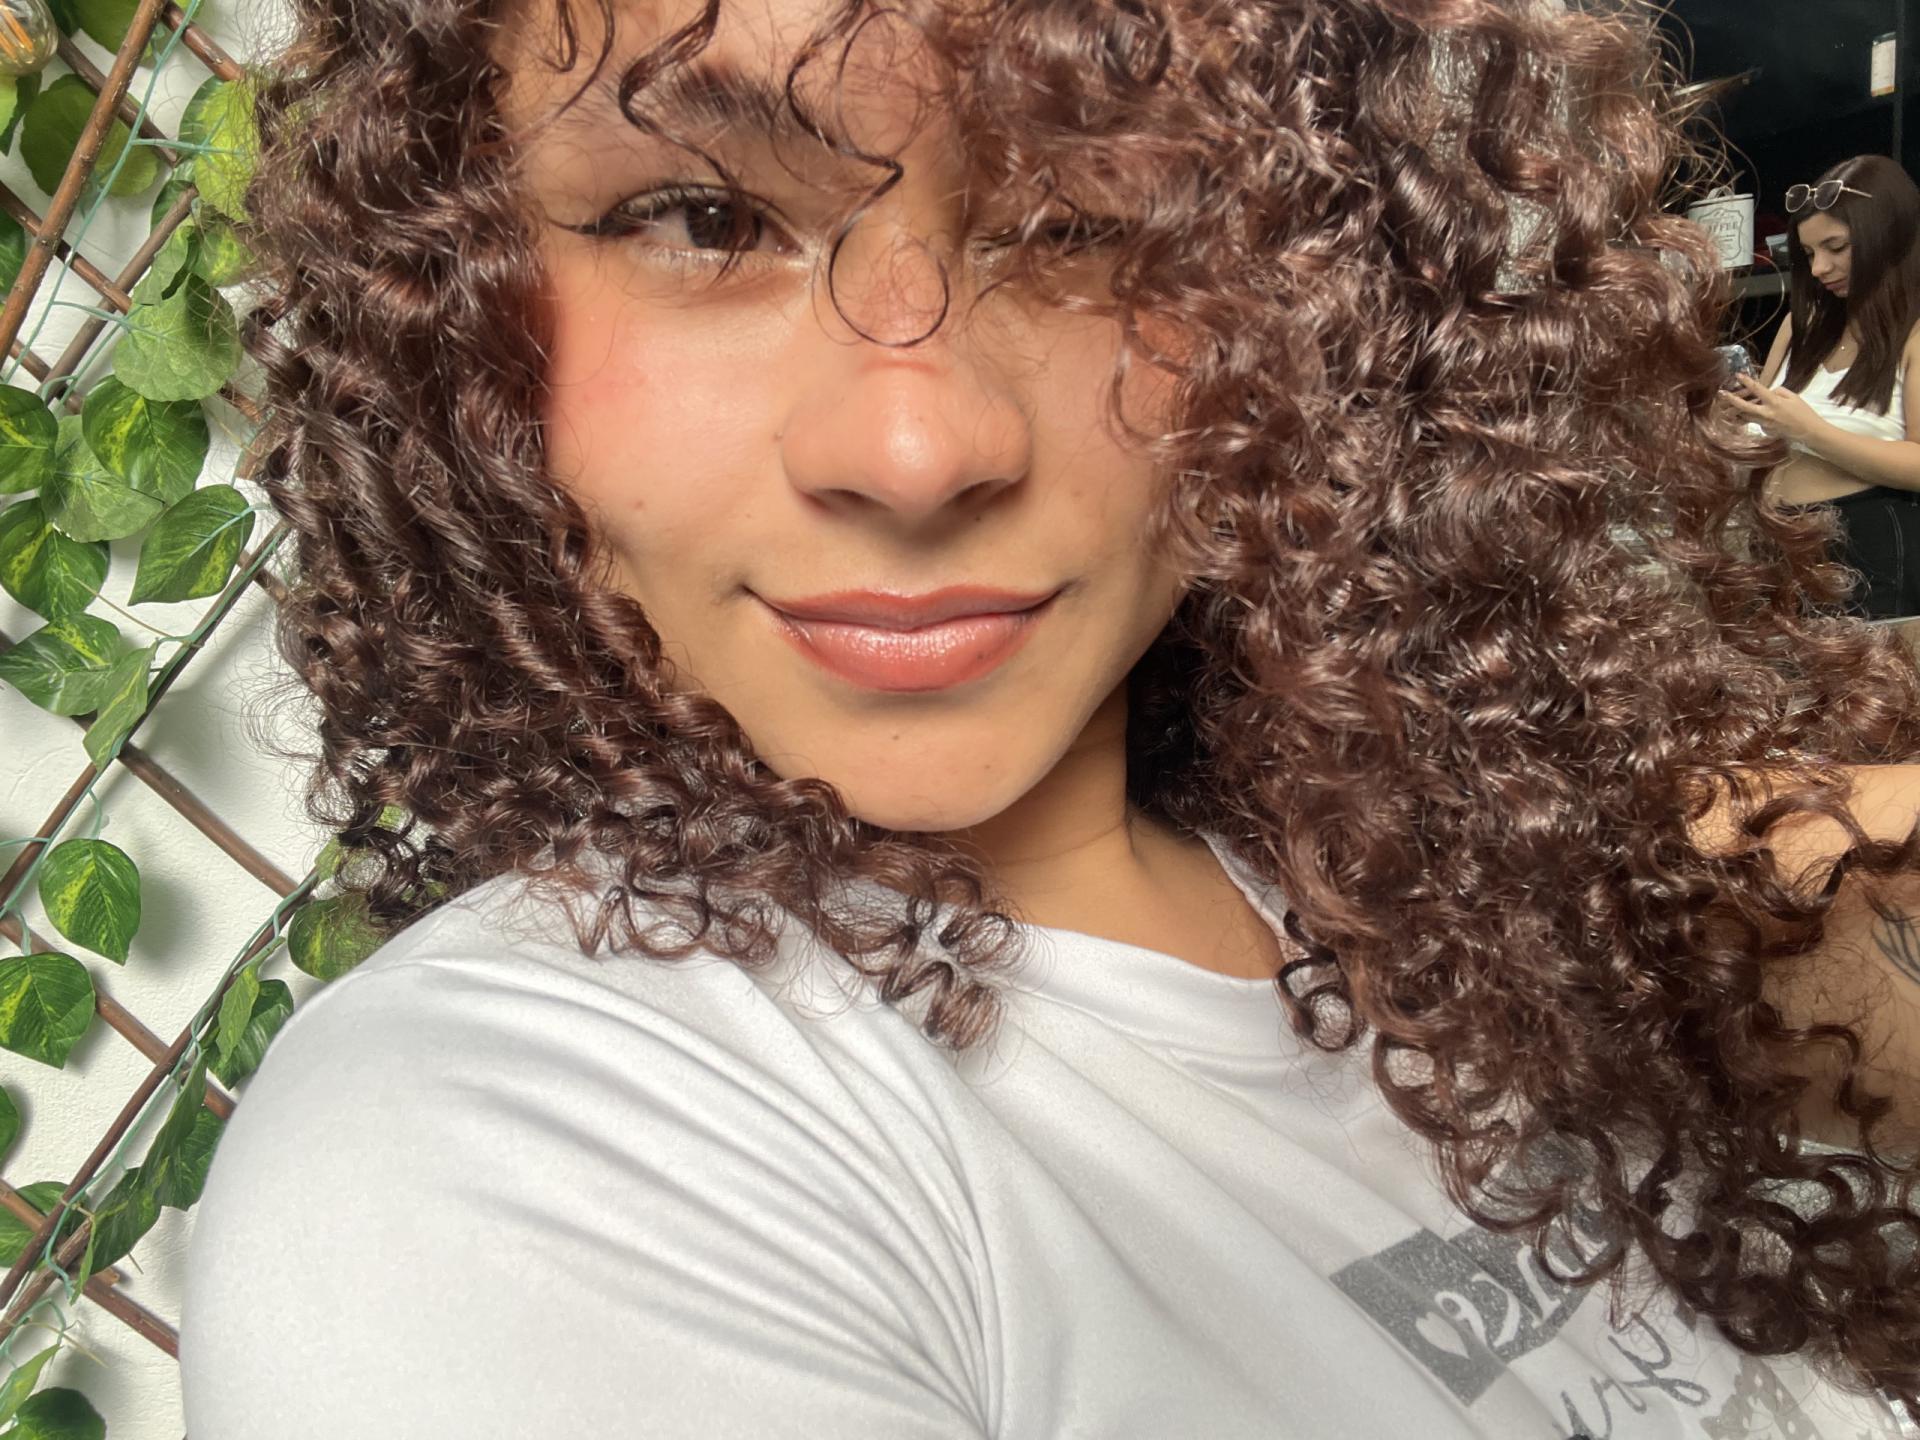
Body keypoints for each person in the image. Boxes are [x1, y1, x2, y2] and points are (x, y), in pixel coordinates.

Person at [177, 0, 1920, 1436]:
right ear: (458, 309)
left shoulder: (1423, 870)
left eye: (1090, 224)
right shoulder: (499, 1160)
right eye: (702, 219)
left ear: (1318, 296)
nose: (917, 447)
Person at [1725, 154, 1920, 619]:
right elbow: (1762, 424)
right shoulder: (1803, 325)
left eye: (1836, 247)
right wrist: (1728, 418)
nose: (1818, 269)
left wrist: (1810, 431)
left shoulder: (1914, 335)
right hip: (1775, 540)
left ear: (1887, 236)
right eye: (1810, 253)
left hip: (1866, 545)